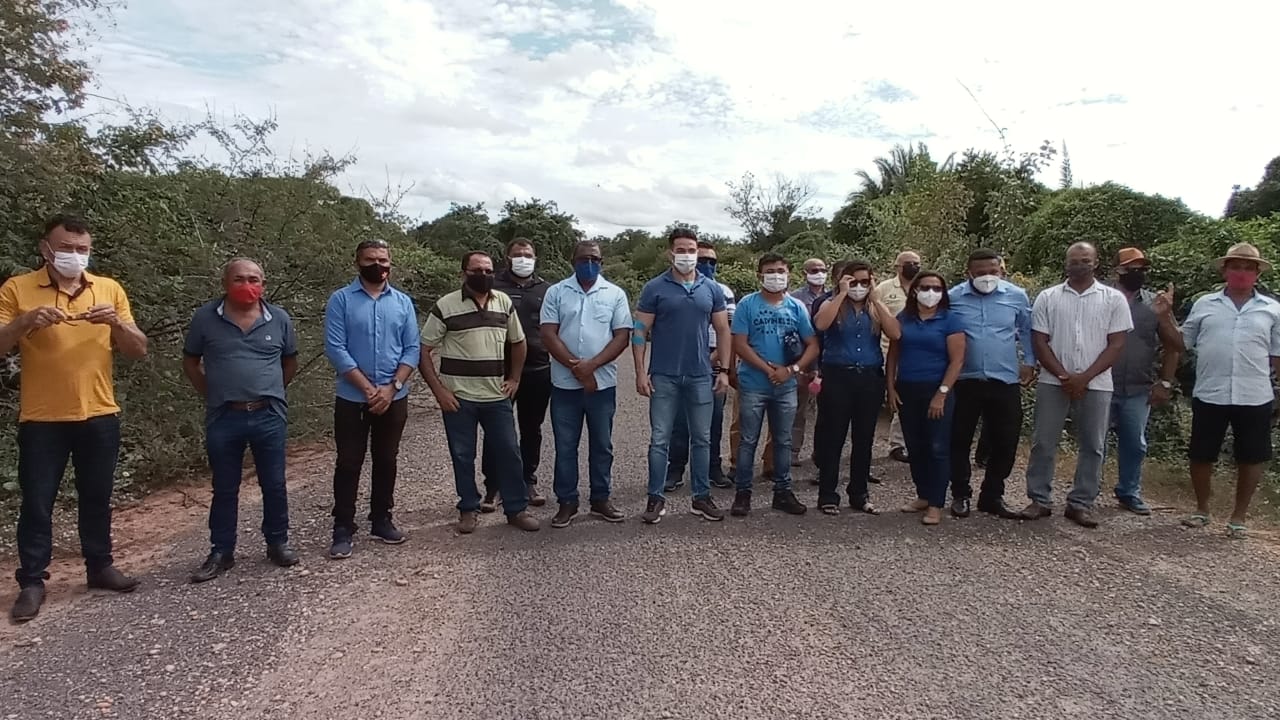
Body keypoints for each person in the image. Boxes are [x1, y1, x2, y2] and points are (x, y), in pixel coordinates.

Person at [1, 214, 148, 622]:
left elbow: (138, 349)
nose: (74, 255)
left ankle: (99, 567)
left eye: (82, 249)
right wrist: (26, 321)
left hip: (99, 412)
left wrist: (117, 323)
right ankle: (32, 581)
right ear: (45, 248)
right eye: (66, 248)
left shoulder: (108, 289)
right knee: (37, 502)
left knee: (97, 497)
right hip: (42, 418)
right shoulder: (18, 289)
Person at [183, 259, 300, 582]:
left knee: (274, 484)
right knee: (224, 487)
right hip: (224, 415)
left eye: (254, 279)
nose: (247, 284)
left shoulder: (278, 319)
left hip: (268, 413)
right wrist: (213, 392)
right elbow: (191, 361)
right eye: (239, 279)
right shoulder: (205, 318)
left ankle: (278, 542)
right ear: (225, 282)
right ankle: (221, 551)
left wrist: (271, 391)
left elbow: (289, 361)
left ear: (263, 283)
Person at [419, 251, 539, 534]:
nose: (483, 275)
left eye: (488, 270)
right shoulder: (445, 305)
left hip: (497, 395)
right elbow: (423, 351)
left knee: (509, 453)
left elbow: (519, 343)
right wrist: (439, 391)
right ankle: (468, 508)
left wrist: (515, 378)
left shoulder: (503, 302)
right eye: (477, 270)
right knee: (462, 455)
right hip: (458, 397)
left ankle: (516, 509)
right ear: (464, 273)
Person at [1022, 242, 1132, 527]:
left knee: (1093, 445)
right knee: (1044, 441)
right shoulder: (1048, 297)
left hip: (1097, 383)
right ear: (1065, 263)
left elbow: (1117, 343)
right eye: (1073, 260)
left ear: (1095, 263)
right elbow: (1039, 341)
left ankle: (1082, 502)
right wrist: (1063, 376)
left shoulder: (1113, 299)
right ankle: (1039, 499)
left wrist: (1085, 377)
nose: (1079, 265)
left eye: (1085, 260)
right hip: (1052, 381)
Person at [323, 239, 421, 558]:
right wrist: (368, 389)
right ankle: (343, 527)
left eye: (382, 259)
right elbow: (336, 348)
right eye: (370, 259)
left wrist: (392, 388)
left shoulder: (403, 302)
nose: (377, 265)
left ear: (391, 262)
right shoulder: (341, 300)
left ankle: (381, 519)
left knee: (386, 459)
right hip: (352, 396)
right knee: (349, 461)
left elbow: (412, 349)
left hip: (394, 395)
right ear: (358, 263)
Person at [1180, 243, 1280, 538]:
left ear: (1257, 273)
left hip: (1255, 393)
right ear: (1225, 270)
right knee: (1201, 453)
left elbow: (1277, 355)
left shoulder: (1272, 309)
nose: (1241, 272)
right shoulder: (1205, 304)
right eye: (1235, 266)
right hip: (1211, 390)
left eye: (1248, 268)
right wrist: (1162, 318)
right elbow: (1182, 343)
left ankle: (1239, 517)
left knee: (1251, 456)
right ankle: (1202, 509)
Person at [633, 228, 731, 524]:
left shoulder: (710, 289)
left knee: (702, 439)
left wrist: (724, 370)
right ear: (670, 253)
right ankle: (655, 498)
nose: (687, 256)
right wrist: (640, 371)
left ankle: (701, 498)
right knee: (660, 439)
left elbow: (724, 330)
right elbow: (640, 331)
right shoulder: (655, 288)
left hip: (701, 374)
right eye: (682, 250)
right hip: (664, 375)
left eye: (692, 250)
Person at [540, 241, 633, 528]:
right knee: (566, 446)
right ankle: (567, 502)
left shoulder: (615, 294)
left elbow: (621, 337)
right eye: (583, 258)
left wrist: (590, 367)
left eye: (594, 258)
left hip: (602, 386)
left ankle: (600, 499)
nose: (589, 263)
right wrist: (577, 368)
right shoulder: (556, 292)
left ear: (602, 262)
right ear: (573, 260)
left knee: (602, 445)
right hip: (564, 386)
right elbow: (548, 333)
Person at [946, 249, 1035, 520]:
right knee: (958, 440)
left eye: (992, 272)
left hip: (1004, 379)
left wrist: (1029, 361)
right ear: (968, 273)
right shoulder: (953, 298)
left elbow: (1028, 330)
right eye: (980, 272)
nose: (987, 277)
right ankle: (961, 493)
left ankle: (992, 495)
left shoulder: (1016, 296)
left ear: (1002, 271)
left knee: (1005, 441)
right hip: (965, 380)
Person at [728, 253, 819, 516]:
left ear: (789, 274)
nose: (776, 275)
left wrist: (792, 370)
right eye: (770, 271)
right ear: (760, 275)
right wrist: (769, 370)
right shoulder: (748, 304)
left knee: (783, 440)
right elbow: (740, 344)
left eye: (781, 270)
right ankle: (743, 493)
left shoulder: (796, 307)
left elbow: (812, 345)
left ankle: (783, 492)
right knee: (748, 440)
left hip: (786, 385)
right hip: (754, 383)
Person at [811, 260, 901, 515]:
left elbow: (895, 333)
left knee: (864, 438)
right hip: (838, 376)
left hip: (869, 378)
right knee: (833, 437)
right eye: (853, 281)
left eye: (864, 281)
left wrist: (875, 298)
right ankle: (828, 494)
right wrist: (841, 293)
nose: (858, 287)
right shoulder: (832, 303)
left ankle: (859, 493)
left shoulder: (875, 308)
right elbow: (821, 324)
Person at [1107, 248, 1184, 515]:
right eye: (1132, 269)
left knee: (1135, 444)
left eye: (1143, 269)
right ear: (1118, 270)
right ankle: (1086, 492)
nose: (1138, 274)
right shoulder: (1101, 299)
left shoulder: (1156, 304)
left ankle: (1129, 492)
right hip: (1102, 384)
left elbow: (1176, 346)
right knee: (1095, 443)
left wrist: (1165, 382)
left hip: (1139, 388)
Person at [887, 271, 966, 526]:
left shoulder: (950, 320)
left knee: (937, 447)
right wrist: (890, 387)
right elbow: (893, 355)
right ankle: (923, 494)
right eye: (925, 287)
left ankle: (935, 503)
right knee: (915, 446)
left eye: (936, 288)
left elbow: (957, 361)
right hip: (908, 389)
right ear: (914, 291)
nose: (930, 293)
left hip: (937, 390)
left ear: (943, 293)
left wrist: (941, 394)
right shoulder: (904, 318)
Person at [480, 238, 551, 510]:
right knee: (497, 430)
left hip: (538, 369)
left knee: (531, 429)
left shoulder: (547, 289)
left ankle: (527, 481)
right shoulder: (493, 286)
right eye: (518, 254)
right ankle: (493, 487)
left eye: (528, 254)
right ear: (508, 257)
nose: (523, 258)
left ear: (535, 258)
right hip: (498, 371)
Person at [667, 238, 735, 491]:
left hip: (713, 363)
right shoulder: (670, 287)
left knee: (713, 421)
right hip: (682, 365)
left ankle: (712, 469)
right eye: (703, 260)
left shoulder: (723, 291)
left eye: (711, 261)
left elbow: (728, 330)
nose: (707, 265)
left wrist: (713, 361)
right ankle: (675, 470)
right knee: (679, 422)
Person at [876, 250, 921, 463]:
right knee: (891, 398)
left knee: (908, 398)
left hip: (916, 353)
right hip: (886, 351)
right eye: (909, 263)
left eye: (917, 263)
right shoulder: (884, 289)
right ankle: (895, 444)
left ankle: (903, 443)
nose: (914, 266)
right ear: (898, 266)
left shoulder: (925, 288)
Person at [787, 257, 827, 469]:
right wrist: (802, 366)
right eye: (814, 269)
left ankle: (821, 454)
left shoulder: (833, 297)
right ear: (805, 272)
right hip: (803, 361)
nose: (818, 273)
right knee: (798, 411)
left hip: (827, 362)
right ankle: (792, 452)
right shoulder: (795, 299)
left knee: (826, 413)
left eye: (822, 269)